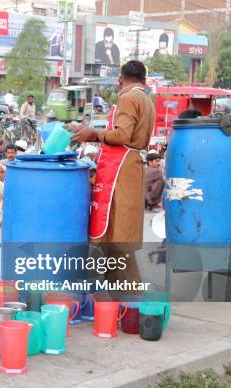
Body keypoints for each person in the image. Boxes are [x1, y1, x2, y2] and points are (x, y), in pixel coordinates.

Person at [68, 60, 155, 284]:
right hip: (132, 165)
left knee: (116, 234)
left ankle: (128, 301)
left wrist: (94, 134)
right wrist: (88, 131)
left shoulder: (128, 97)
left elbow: (122, 135)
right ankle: (118, 296)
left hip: (121, 169)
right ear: (144, 80)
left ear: (120, 80)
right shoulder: (146, 99)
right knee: (119, 233)